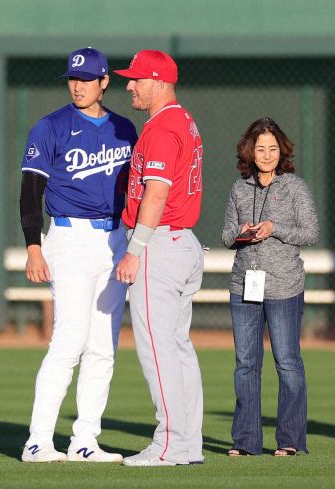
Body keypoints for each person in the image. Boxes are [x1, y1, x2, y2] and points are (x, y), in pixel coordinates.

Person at [19, 47, 137, 463]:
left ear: (105, 82)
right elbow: (31, 191)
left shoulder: (125, 129)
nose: (78, 85)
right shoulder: (50, 127)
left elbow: (137, 193)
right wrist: (34, 245)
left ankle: (85, 440)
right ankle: (38, 441)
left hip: (114, 240)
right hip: (67, 238)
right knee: (69, 340)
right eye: (73, 77)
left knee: (103, 346)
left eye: (87, 79)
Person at [113, 50, 205, 466]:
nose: (129, 85)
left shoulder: (165, 126)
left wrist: (135, 250)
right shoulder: (180, 120)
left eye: (136, 79)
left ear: (159, 82)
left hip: (159, 245)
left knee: (158, 350)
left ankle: (169, 444)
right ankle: (187, 445)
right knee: (178, 347)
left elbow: (156, 192)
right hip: (180, 241)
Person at [222, 117, 319, 457]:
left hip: (284, 286)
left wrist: (275, 228)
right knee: (246, 363)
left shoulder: (295, 188)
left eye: (272, 149)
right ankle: (246, 442)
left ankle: (290, 440)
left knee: (287, 361)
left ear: (282, 151)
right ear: (250, 151)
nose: (266, 155)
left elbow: (310, 232)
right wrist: (241, 232)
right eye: (260, 148)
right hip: (243, 284)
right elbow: (225, 235)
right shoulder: (239, 187)